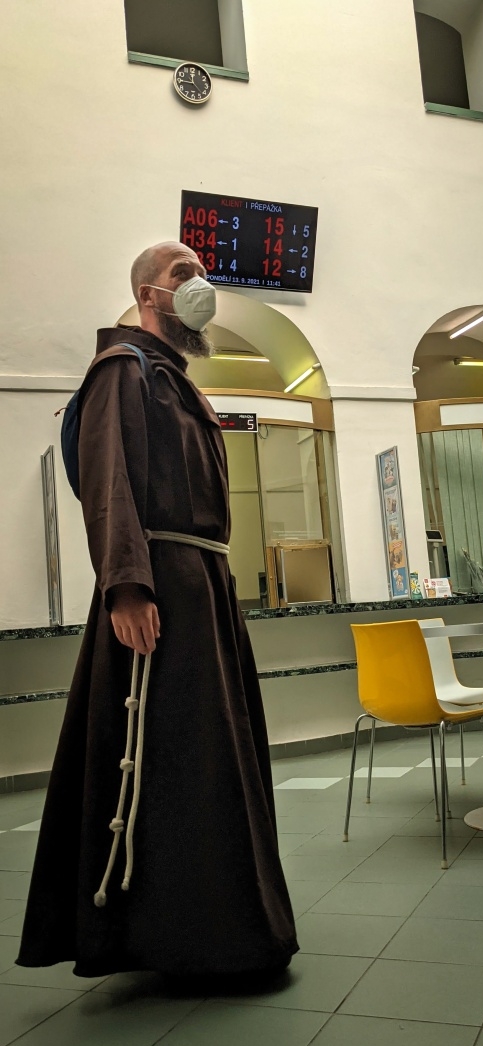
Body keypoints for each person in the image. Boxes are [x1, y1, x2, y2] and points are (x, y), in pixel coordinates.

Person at [16, 242, 298, 981]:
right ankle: (181, 938)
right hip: (161, 586)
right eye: (182, 274)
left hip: (202, 585)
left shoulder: (174, 379)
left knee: (203, 758)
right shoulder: (124, 369)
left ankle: (207, 928)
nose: (199, 283)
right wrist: (127, 586)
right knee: (167, 756)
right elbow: (109, 478)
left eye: (201, 271)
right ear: (148, 293)